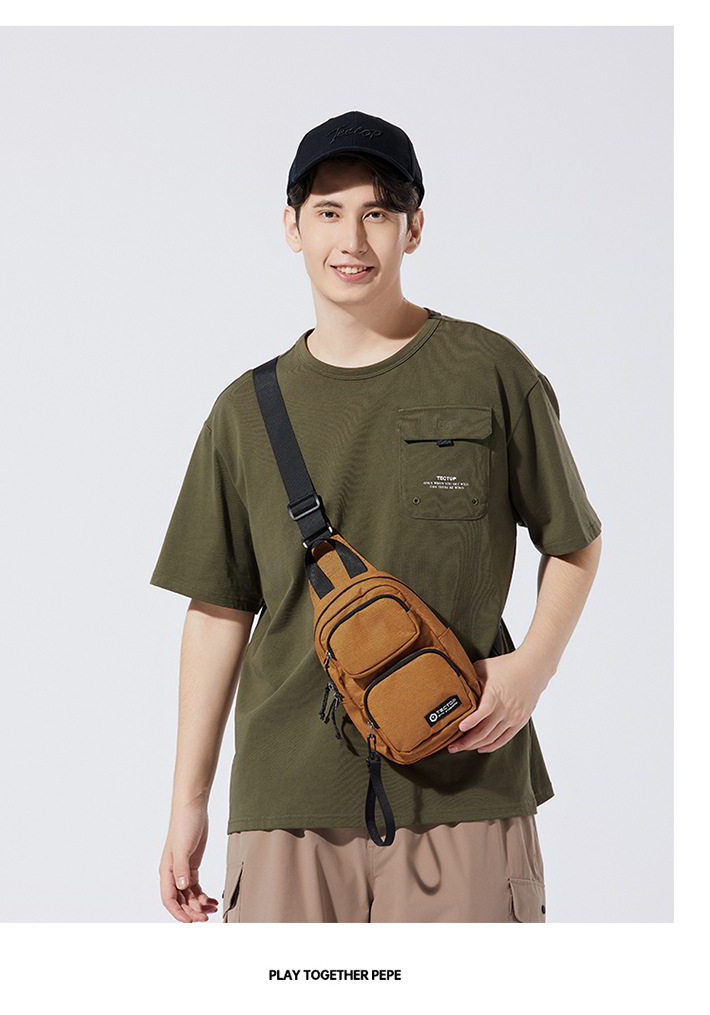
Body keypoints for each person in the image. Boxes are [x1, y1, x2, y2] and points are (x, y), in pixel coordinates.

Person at [152, 111, 602, 923]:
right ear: (292, 226)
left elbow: (575, 540)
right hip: (286, 799)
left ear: (413, 228)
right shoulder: (243, 413)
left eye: (378, 212)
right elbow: (218, 610)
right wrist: (189, 801)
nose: (352, 239)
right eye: (328, 211)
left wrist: (532, 668)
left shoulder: (489, 370)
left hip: (465, 784)